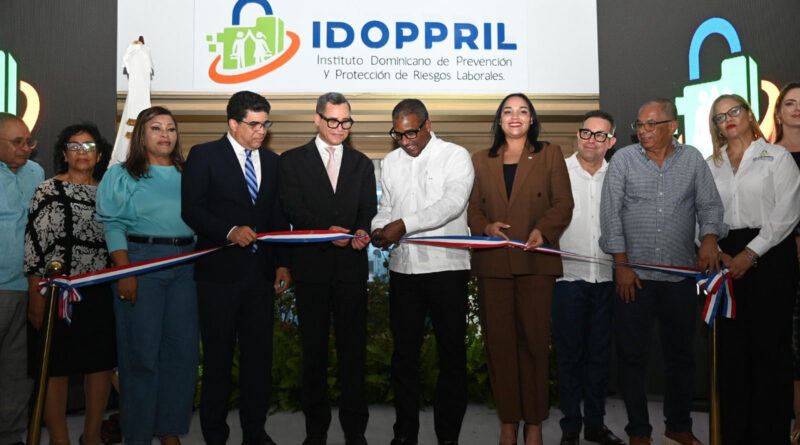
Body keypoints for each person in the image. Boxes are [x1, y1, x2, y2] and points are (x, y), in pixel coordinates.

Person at [599, 99, 726, 445]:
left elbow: (709, 206)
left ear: (672, 126)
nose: (643, 131)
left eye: (651, 124)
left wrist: (709, 239)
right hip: (633, 277)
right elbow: (610, 216)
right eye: (639, 125)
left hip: (680, 277)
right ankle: (639, 430)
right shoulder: (624, 160)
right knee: (631, 356)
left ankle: (678, 425)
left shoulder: (692, 159)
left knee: (681, 355)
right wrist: (621, 264)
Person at [181, 91, 291, 445]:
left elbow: (277, 217)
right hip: (218, 277)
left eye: (265, 124)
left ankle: (255, 432)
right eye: (254, 124)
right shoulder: (204, 155)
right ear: (233, 123)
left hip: (260, 277)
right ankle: (215, 435)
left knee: (259, 360)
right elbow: (191, 209)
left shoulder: (273, 161)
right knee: (218, 359)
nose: (261, 131)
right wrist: (228, 231)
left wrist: (283, 263)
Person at [467, 93, 573, 445]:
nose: (515, 116)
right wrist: (486, 227)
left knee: (534, 345)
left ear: (532, 119)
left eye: (523, 111)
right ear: (499, 120)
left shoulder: (550, 154)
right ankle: (508, 422)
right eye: (508, 111)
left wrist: (543, 230)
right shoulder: (480, 160)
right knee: (499, 348)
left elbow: (564, 203)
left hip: (535, 261)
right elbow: (472, 209)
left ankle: (535, 423)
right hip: (494, 264)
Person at [371, 99, 473, 445]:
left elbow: (451, 205)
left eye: (411, 133)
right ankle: (405, 434)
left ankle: (448, 437)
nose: (405, 141)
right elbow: (386, 207)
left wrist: (403, 225)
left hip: (447, 268)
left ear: (428, 125)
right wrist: (378, 228)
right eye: (398, 135)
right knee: (403, 357)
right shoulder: (391, 162)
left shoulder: (455, 156)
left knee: (451, 356)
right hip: (404, 269)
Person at [96, 106, 198, 445]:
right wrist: (125, 271)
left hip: (187, 264)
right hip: (140, 262)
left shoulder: (190, 173)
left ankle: (169, 430)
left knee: (182, 352)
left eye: (171, 128)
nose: (165, 134)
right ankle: (138, 434)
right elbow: (113, 225)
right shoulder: (122, 175)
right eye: (156, 128)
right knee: (140, 354)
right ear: (141, 135)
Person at [279, 92, 375, 445]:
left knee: (354, 354)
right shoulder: (291, 160)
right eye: (333, 120)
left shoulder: (362, 163)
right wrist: (325, 231)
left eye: (346, 121)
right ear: (317, 119)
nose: (340, 127)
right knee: (313, 355)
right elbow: (292, 208)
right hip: (311, 270)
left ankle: (355, 432)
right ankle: (315, 432)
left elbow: (368, 208)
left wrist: (362, 230)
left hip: (351, 269)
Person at [706, 94, 800, 444]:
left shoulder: (777, 157)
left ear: (749, 114)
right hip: (724, 260)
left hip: (771, 256)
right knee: (732, 355)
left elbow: (787, 214)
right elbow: (701, 214)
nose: (727, 119)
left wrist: (750, 254)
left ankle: (770, 436)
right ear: (716, 127)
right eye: (719, 117)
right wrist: (718, 252)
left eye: (734, 111)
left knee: (770, 352)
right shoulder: (709, 165)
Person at [25, 123, 115, 445]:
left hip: (99, 291)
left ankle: (91, 436)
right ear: (64, 154)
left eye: (88, 146)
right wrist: (36, 293)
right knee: (56, 366)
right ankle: (59, 438)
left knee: (100, 365)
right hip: (56, 293)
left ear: (100, 155)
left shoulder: (109, 193)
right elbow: (34, 245)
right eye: (74, 146)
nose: (82, 152)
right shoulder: (47, 190)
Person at [551, 111, 624, 445]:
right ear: (577, 135)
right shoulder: (558, 173)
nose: (591, 140)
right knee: (569, 356)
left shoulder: (619, 175)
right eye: (586, 132)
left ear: (611, 141)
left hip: (608, 278)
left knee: (599, 356)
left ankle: (595, 424)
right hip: (567, 279)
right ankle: (570, 427)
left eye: (600, 135)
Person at [0, 112, 43, 445]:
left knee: (18, 368)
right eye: (17, 142)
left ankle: (11, 434)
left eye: (29, 141)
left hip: (27, 286)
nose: (25, 148)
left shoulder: (36, 173)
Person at [773, 82, 800, 444]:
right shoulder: (768, 156)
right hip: (781, 263)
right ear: (778, 113)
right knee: (792, 349)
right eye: (790, 103)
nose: (797, 109)